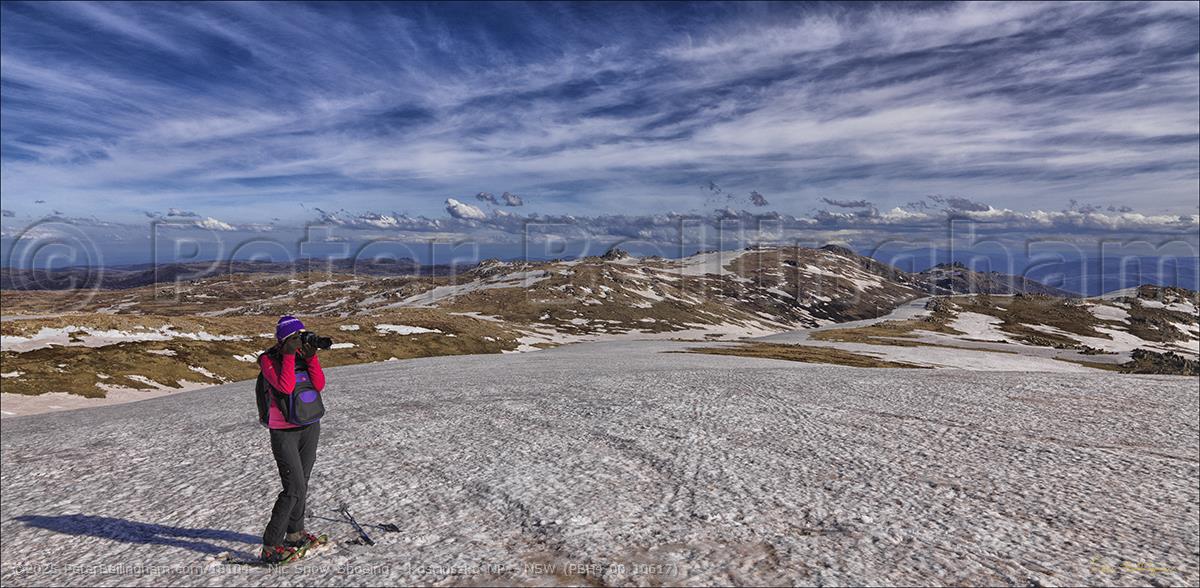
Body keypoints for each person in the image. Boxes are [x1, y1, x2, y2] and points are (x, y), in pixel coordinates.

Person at [258, 315, 326, 563]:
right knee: (293, 487)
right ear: (284, 339)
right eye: (294, 337)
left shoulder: (301, 356)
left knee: (303, 482)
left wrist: (311, 357)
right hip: (283, 431)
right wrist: (287, 354)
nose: (299, 340)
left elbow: (318, 385)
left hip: (309, 425)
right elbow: (285, 387)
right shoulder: (267, 360)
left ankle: (295, 534)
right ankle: (270, 546)